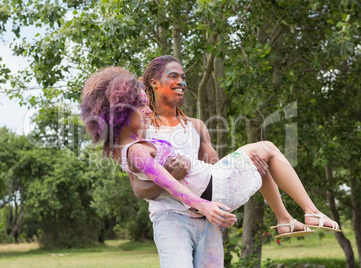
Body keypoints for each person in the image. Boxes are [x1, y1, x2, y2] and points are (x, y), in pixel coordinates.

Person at [81, 67, 341, 267]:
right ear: (122, 111)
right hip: (212, 190)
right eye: (141, 104)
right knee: (269, 148)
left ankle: (286, 219)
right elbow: (167, 184)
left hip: (214, 185)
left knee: (261, 158)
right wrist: (203, 205)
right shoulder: (136, 150)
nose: (148, 108)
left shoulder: (124, 147)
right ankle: (309, 211)